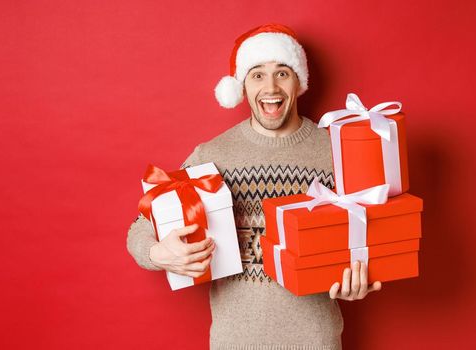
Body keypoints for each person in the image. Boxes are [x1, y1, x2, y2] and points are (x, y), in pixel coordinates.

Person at [127, 23, 381, 350]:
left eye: (282, 73)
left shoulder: (335, 151)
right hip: (234, 342)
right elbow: (139, 228)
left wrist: (361, 279)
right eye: (257, 74)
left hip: (315, 341)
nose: (271, 87)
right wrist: (160, 253)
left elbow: (372, 240)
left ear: (299, 82)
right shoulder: (212, 155)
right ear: (242, 86)